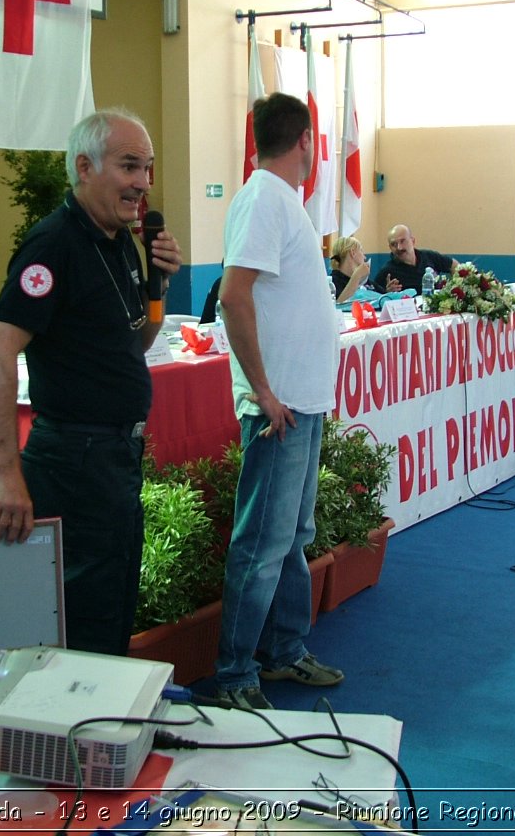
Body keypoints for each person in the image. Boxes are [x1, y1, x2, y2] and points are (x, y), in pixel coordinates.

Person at [0, 109, 181, 657]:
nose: (142, 182)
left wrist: (159, 285)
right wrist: (5, 476)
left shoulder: (115, 240)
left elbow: (132, 342)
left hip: (113, 453)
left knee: (111, 599)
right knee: (82, 611)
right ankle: (72, 727)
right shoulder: (53, 244)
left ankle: (98, 721)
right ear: (85, 167)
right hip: (75, 456)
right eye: (129, 166)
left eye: (148, 168)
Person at [214, 92, 342, 711]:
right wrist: (263, 392)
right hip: (280, 405)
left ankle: (285, 652)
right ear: (307, 142)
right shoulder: (264, 196)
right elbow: (233, 297)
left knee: (291, 534)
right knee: (262, 542)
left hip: (302, 400)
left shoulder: (283, 201)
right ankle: (236, 673)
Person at [372, 224, 455, 293]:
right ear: (390, 247)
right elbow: (374, 297)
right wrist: (387, 293)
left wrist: (456, 286)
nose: (399, 247)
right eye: (394, 244)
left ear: (413, 241)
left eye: (402, 241)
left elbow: (454, 266)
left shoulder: (429, 256)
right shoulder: (387, 271)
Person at [328, 236, 371, 304]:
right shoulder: (332, 282)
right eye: (361, 251)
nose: (365, 257)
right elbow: (339, 305)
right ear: (353, 253)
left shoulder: (364, 280)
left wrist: (389, 290)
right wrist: (357, 276)